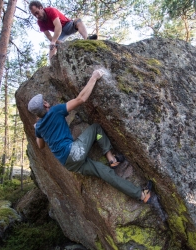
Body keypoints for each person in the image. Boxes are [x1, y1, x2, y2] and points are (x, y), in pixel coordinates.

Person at [28, 69, 154, 204]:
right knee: (97, 129)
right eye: (46, 101)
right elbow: (80, 99)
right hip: (75, 152)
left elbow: (40, 146)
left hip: (69, 164)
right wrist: (94, 77)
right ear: (46, 104)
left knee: (104, 173)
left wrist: (37, 131)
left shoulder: (39, 127)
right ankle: (111, 158)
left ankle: (141, 195)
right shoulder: (54, 111)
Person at [29, 1, 97, 62]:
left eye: (37, 13)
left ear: (41, 8)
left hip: (67, 25)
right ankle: (52, 66)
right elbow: (49, 36)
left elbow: (58, 27)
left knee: (77, 20)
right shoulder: (40, 22)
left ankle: (87, 40)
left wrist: (53, 41)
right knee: (52, 47)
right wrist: (56, 42)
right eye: (35, 15)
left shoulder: (51, 11)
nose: (37, 16)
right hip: (60, 33)